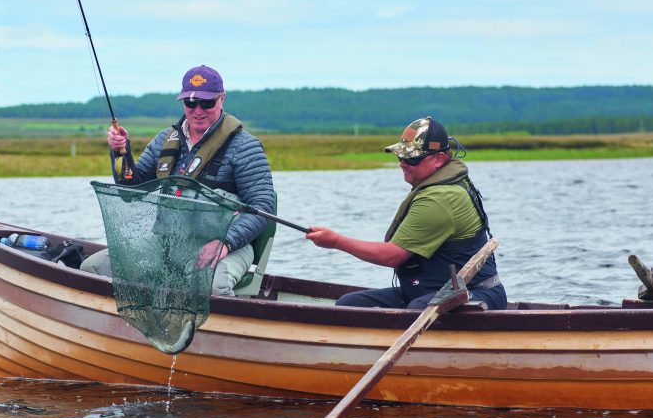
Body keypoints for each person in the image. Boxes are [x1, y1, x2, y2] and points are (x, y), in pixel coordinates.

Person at [80, 65, 275, 296]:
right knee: (92, 268)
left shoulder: (245, 147)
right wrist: (120, 151)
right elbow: (131, 189)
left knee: (214, 288)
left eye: (207, 103)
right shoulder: (165, 139)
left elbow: (263, 207)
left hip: (226, 246)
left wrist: (226, 242)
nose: (198, 111)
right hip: (167, 242)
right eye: (191, 103)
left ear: (222, 99)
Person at [305, 117, 507, 310]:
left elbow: (392, 256)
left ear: (438, 159)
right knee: (349, 304)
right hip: (433, 291)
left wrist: (336, 242)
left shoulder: (440, 198)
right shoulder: (438, 185)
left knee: (416, 309)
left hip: (475, 294)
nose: (402, 163)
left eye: (412, 159)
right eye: (401, 156)